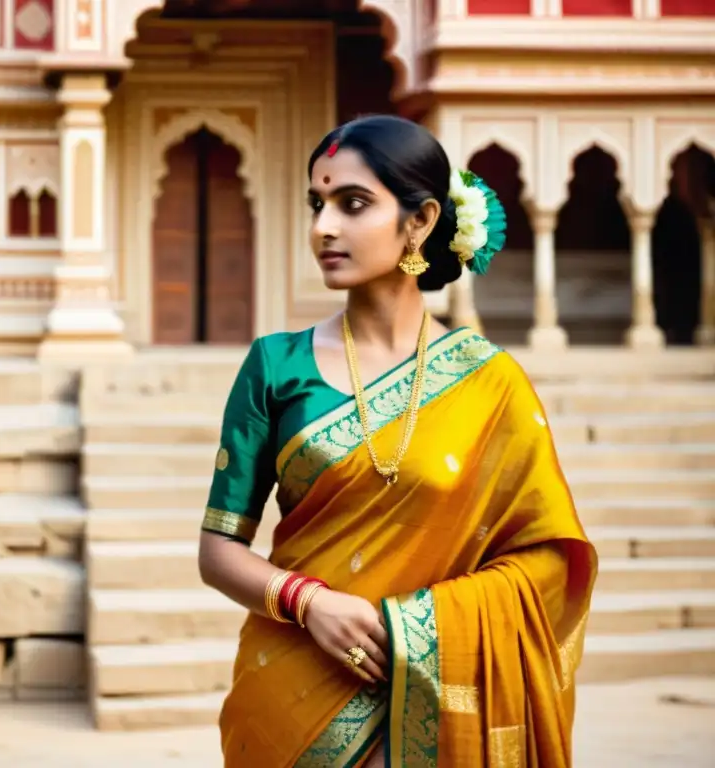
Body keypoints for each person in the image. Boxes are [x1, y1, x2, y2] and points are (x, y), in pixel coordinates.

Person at [197, 115, 597, 767]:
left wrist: (417, 628)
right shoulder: (276, 365)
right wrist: (311, 603)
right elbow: (218, 550)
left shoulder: (492, 384)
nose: (324, 227)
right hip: (292, 692)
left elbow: (549, 561)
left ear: (420, 221)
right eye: (316, 204)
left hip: (439, 696)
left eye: (353, 204)